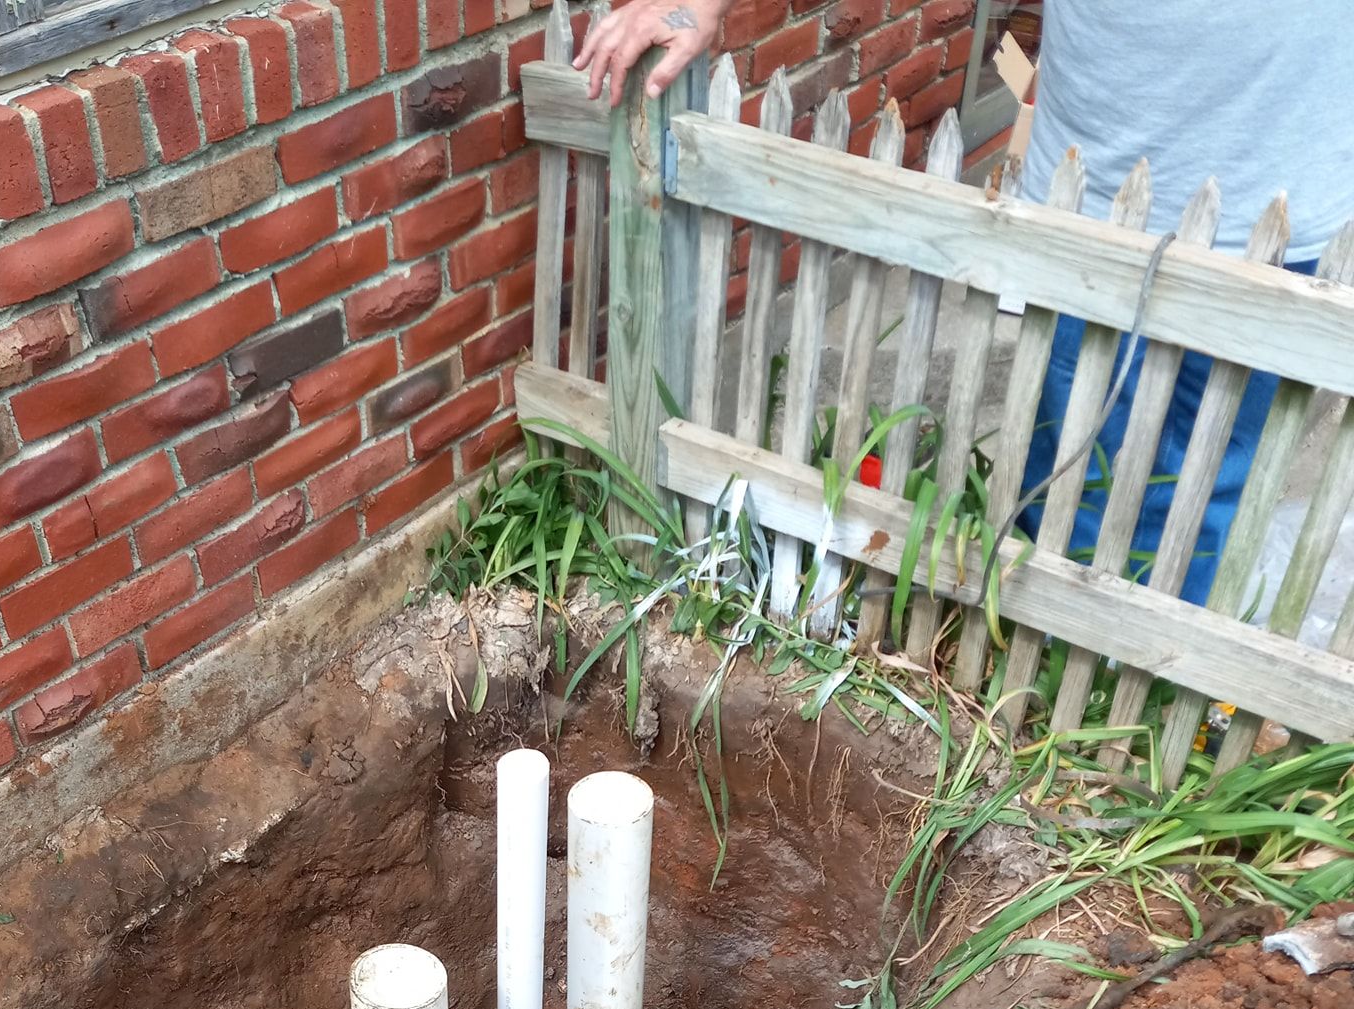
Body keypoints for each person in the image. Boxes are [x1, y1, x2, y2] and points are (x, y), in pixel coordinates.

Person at [576, 0, 1354, 608]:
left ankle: (1143, 709)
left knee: (1206, 487)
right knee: (1068, 465)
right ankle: (1047, 689)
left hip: (1287, 203)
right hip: (1092, 189)